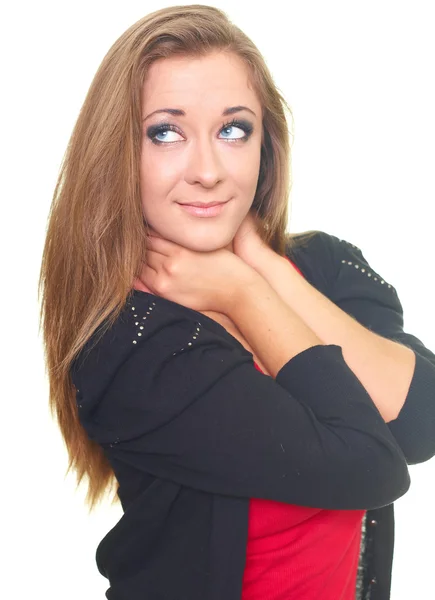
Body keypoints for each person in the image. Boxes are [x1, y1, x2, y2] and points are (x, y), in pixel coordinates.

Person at [38, 5, 435, 600]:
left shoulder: (324, 265)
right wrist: (245, 293)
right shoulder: (131, 342)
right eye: (166, 132)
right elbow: (369, 465)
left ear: (264, 146)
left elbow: (421, 422)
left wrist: (267, 269)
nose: (208, 170)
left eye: (233, 129)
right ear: (120, 153)